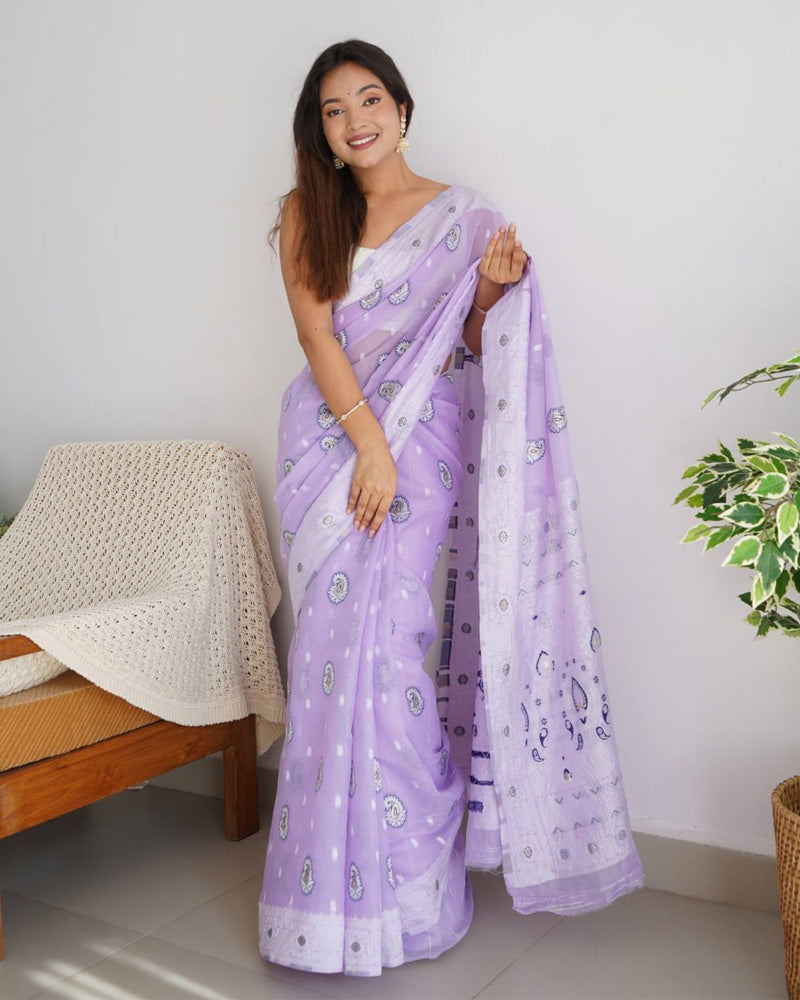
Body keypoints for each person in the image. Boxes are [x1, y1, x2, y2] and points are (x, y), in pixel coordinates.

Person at [259, 39, 643, 977]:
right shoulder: (308, 213)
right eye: (334, 110)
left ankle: (412, 895)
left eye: (369, 100)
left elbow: (467, 344)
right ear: (320, 129)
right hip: (331, 447)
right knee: (326, 662)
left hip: (420, 447)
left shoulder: (463, 218)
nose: (355, 122)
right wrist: (369, 446)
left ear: (402, 109)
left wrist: (491, 290)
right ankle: (323, 908)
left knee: (389, 653)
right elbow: (317, 336)